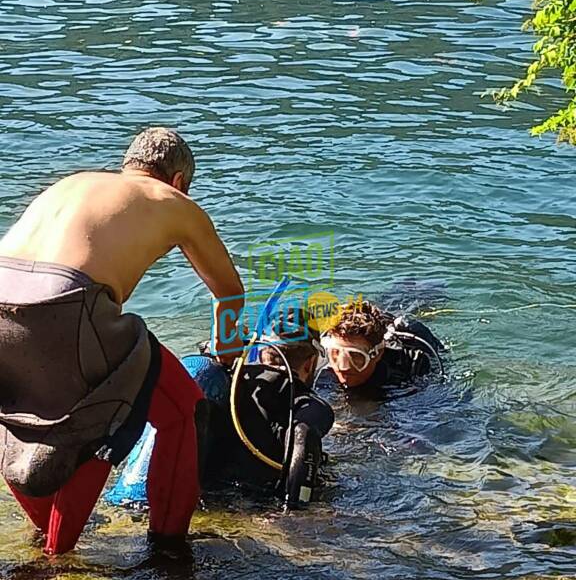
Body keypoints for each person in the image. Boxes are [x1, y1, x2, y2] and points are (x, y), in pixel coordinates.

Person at [0, 127, 244, 558]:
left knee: (16, 413)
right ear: (180, 180)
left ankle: (44, 532)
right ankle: (154, 547)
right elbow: (228, 291)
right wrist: (226, 351)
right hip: (69, 306)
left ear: (128, 164)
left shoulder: (72, 183)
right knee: (146, 414)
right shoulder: (174, 201)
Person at [201, 308, 334, 507]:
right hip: (256, 501)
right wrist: (295, 508)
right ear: (310, 363)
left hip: (207, 492)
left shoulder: (229, 380)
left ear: (262, 354)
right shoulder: (309, 404)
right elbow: (303, 433)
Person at [320, 300, 443, 395]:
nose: (343, 366)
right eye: (335, 353)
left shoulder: (411, 367)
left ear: (378, 354)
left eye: (355, 355)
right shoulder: (321, 367)